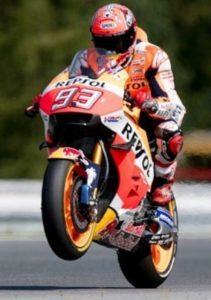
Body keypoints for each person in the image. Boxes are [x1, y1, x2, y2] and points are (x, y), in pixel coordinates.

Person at [26, 3, 186, 206]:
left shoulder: (153, 56)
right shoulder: (87, 58)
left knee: (171, 132)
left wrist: (150, 104)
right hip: (101, 110)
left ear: (131, 35)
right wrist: (46, 96)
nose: (110, 49)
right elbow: (67, 78)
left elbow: (176, 108)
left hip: (139, 115)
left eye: (116, 42)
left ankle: (162, 185)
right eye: (102, 42)